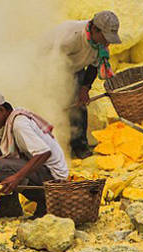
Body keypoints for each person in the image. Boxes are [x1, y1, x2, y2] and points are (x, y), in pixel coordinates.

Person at [0, 90, 69, 219]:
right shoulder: (10, 119)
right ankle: (9, 205)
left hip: (53, 177)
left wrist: (17, 178)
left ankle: (45, 203)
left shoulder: (19, 125)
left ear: (1, 110)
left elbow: (44, 153)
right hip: (42, 170)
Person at [49, 10, 122, 159]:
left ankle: (80, 146)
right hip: (51, 68)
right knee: (56, 107)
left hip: (76, 68)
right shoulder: (70, 36)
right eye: (105, 37)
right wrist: (58, 88)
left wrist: (84, 88)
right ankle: (56, 146)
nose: (107, 42)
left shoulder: (99, 45)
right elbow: (54, 63)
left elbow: (94, 66)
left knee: (79, 106)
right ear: (95, 29)